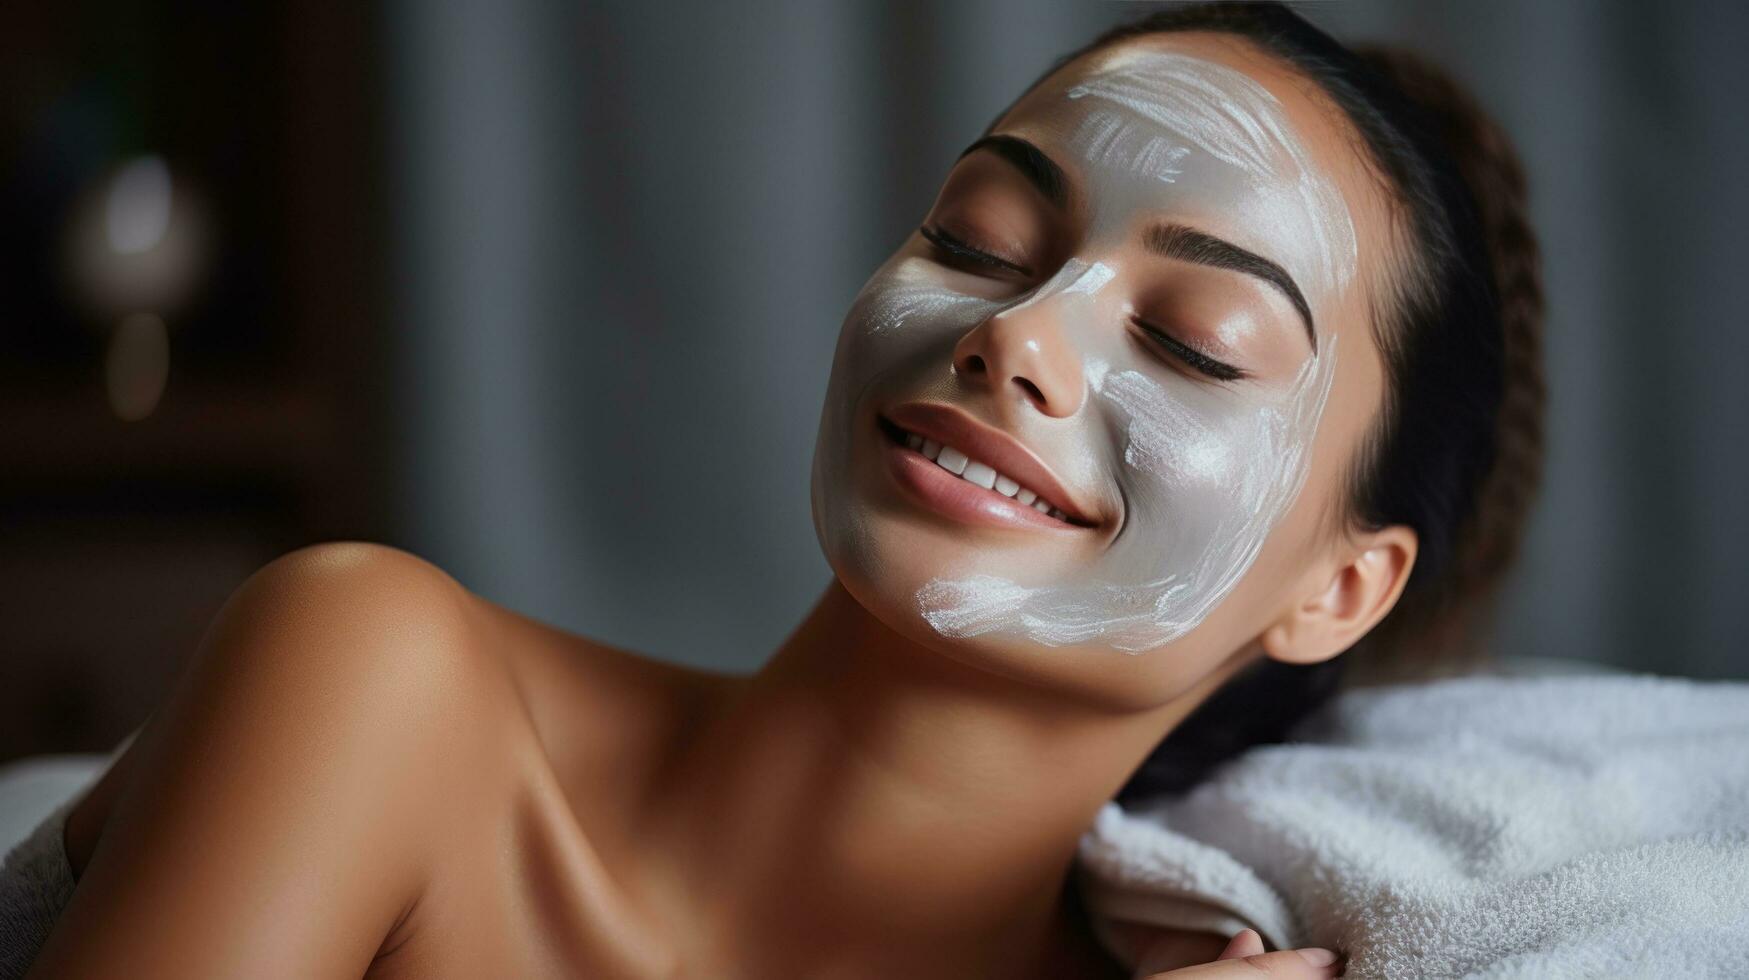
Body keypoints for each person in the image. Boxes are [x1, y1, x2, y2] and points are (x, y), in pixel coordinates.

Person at [9, 3, 1542, 977]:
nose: (1015, 333)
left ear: (1335, 591)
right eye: (981, 237)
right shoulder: (377, 683)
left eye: (1193, 344)